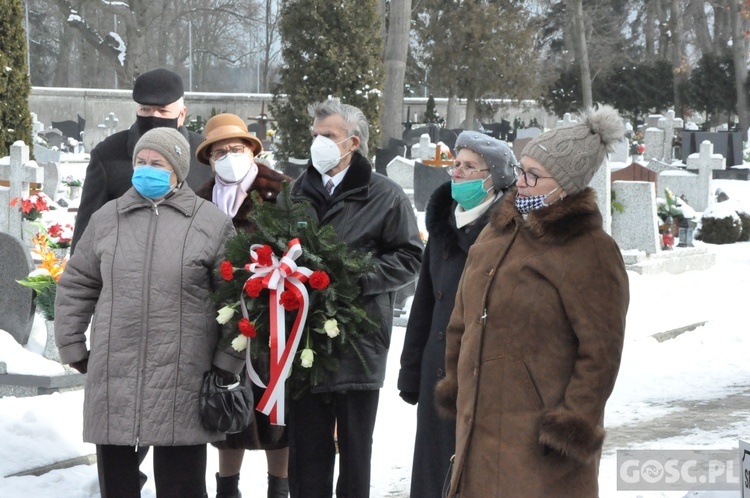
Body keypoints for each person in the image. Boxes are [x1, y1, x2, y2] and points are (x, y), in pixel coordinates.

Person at [436, 104, 630, 497]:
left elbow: (601, 351)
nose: (519, 182)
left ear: (566, 186)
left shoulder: (589, 250)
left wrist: (570, 424)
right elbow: (463, 318)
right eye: (521, 169)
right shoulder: (496, 234)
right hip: (479, 429)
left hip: (535, 445)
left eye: (533, 175)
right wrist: (458, 382)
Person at [54, 127, 244, 498]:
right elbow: (78, 282)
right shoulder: (109, 218)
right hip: (115, 375)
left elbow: (233, 297)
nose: (145, 169)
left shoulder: (211, 223)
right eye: (140, 162)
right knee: (119, 488)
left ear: (177, 170)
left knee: (182, 488)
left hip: (183, 376)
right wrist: (72, 346)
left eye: (156, 163)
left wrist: (227, 360)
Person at [286, 97, 423, 498]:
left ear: (354, 142)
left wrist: (356, 279)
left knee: (355, 453)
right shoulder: (297, 191)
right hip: (304, 341)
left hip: (357, 343)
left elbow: (410, 256)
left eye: (328, 136)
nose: (319, 144)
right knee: (306, 454)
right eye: (315, 136)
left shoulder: (385, 195)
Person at [397, 131, 516, 498]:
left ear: (492, 177)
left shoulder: (509, 230)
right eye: (456, 164)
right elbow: (425, 305)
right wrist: (411, 370)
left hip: (483, 372)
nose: (457, 172)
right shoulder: (444, 223)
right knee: (433, 472)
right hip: (438, 369)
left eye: (469, 166)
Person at [194, 113, 293, 498]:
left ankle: (278, 486)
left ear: (252, 150)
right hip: (219, 318)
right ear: (209, 159)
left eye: (235, 149)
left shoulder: (281, 192)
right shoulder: (199, 201)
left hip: (274, 319)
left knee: (275, 411)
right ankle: (227, 487)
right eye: (220, 152)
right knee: (225, 402)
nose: (229, 157)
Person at [70, 68, 212, 253]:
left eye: (163, 111)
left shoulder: (203, 154)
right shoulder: (108, 154)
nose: (154, 117)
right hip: (126, 267)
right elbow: (87, 227)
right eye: (145, 109)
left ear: (182, 114)